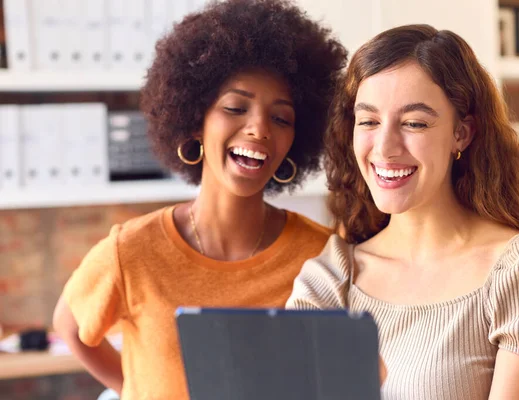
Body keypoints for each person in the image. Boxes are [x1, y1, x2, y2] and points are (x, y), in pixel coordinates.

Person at [52, 1, 347, 399]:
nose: (258, 128)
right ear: (195, 119)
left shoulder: (321, 255)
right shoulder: (132, 251)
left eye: (281, 118)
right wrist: (136, 388)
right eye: (235, 107)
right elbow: (70, 328)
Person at [286, 24, 519, 400]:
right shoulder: (330, 279)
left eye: (414, 123)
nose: (386, 147)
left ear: (462, 133)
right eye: (369, 121)